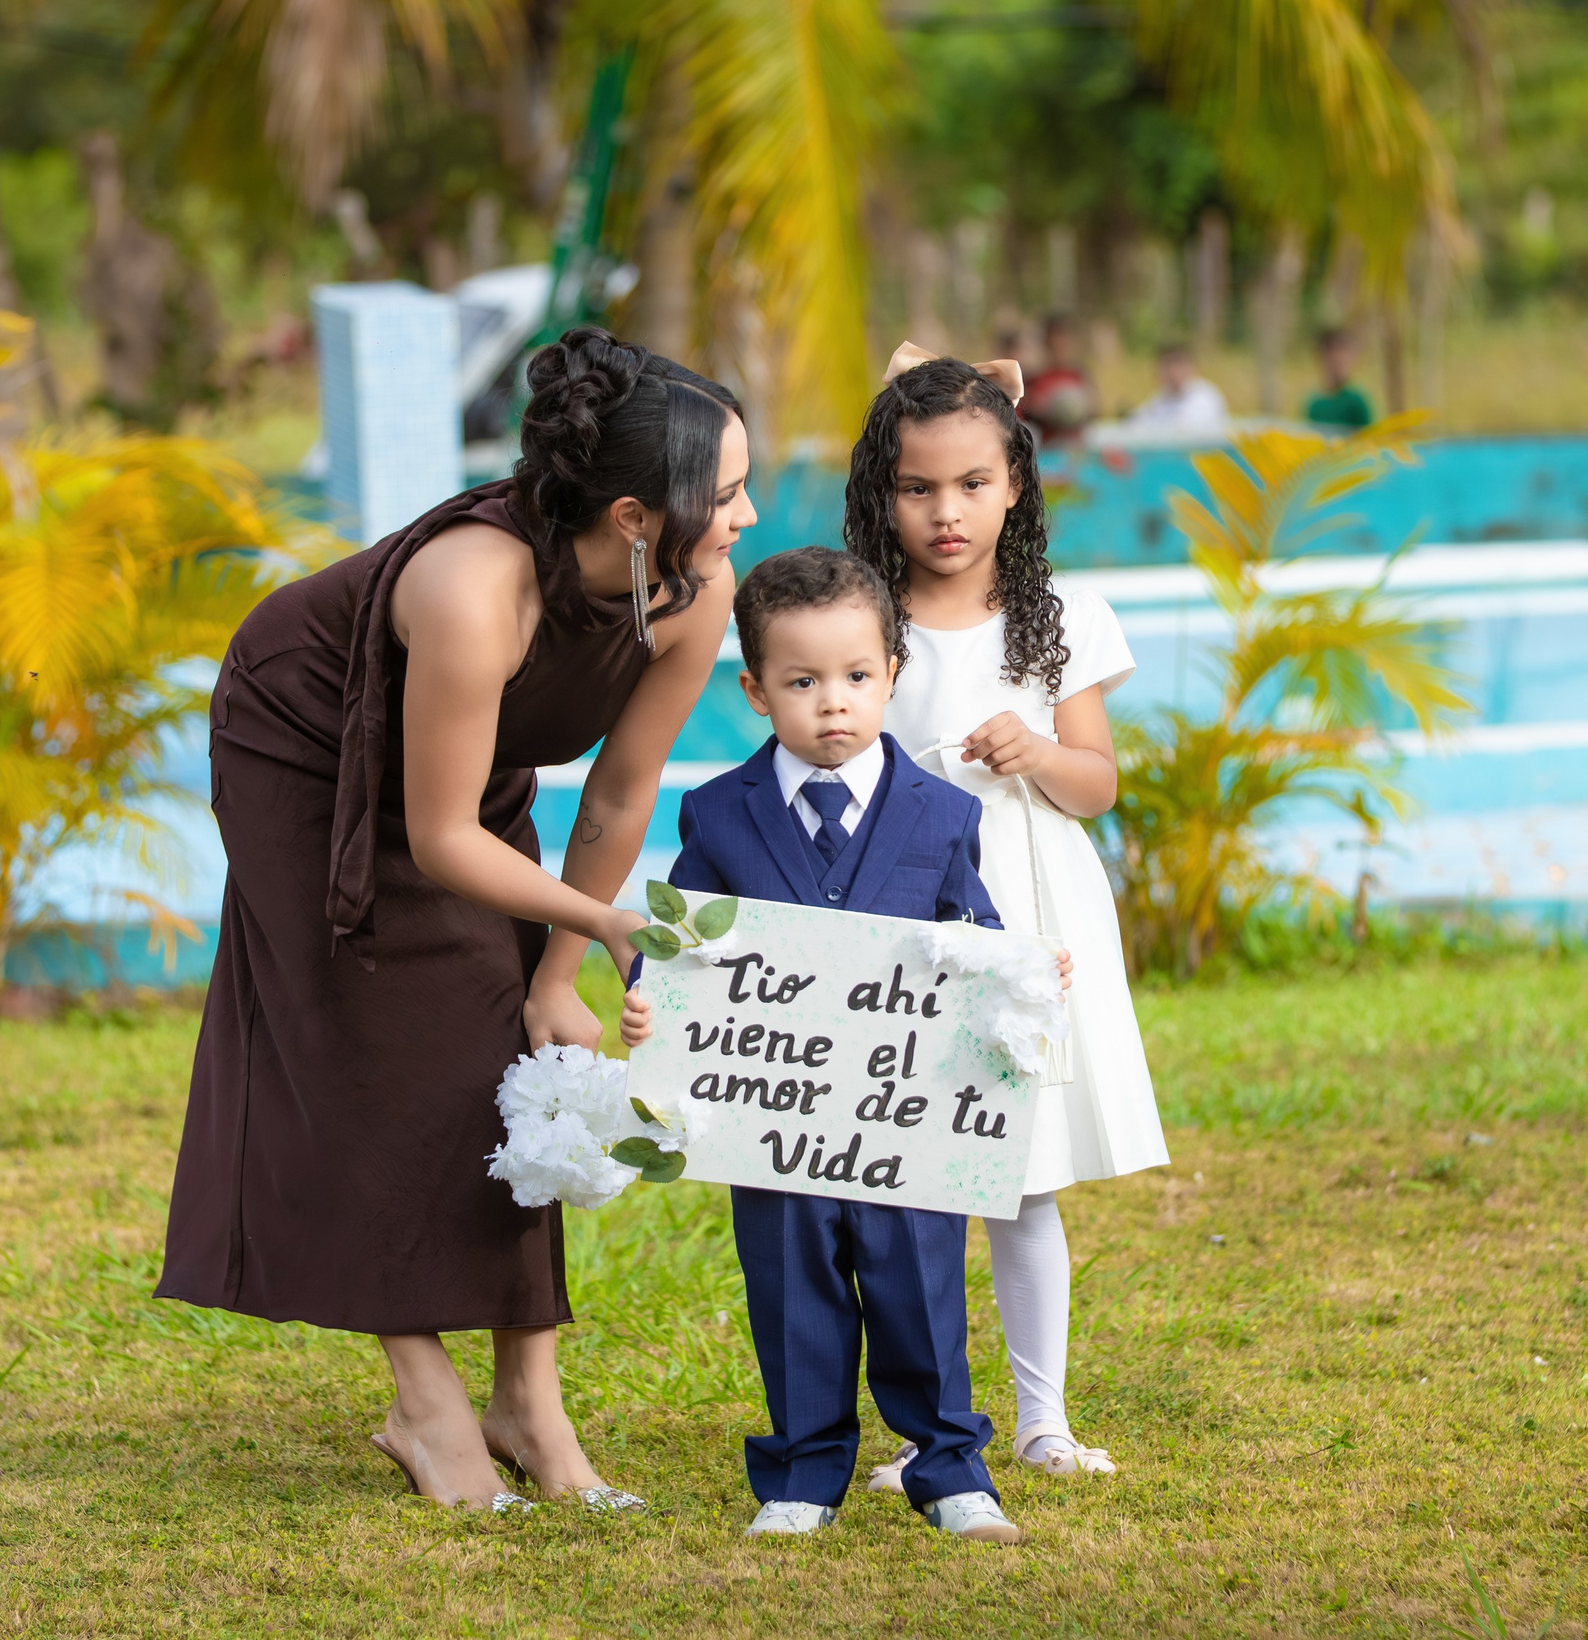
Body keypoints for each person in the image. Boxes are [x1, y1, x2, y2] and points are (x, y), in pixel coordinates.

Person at [156, 326, 756, 1513]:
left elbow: (621, 790)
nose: (744, 514)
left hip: (458, 769)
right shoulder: (475, 589)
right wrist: (605, 922)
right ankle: (423, 1403)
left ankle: (526, 1401)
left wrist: (558, 974)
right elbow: (437, 840)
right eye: (725, 493)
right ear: (633, 516)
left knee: (507, 1037)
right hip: (302, 745)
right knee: (374, 1039)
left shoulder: (695, 590)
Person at [618, 547, 1030, 1546]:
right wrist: (647, 997)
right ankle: (803, 1472)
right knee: (792, 1289)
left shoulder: (944, 814)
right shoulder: (719, 813)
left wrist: (1015, 978)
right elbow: (681, 943)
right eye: (801, 682)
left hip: (903, 1119)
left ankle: (949, 1466)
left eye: (855, 676)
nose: (832, 702)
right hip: (776, 1122)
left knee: (920, 1289)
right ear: (756, 690)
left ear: (893, 671)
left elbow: (970, 931)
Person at [842, 351, 1169, 1485]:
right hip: (905, 916)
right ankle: (928, 1429)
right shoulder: (866, 620)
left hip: (1032, 909)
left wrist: (1035, 752)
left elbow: (1098, 783)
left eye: (973, 484)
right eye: (918, 487)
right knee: (916, 1182)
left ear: (1015, 485)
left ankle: (1043, 1418)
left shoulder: (1059, 616)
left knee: (1023, 1178)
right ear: (882, 493)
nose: (947, 511)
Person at [1018, 312, 1096, 447]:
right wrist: (1039, 411)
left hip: (1076, 449)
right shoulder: (1035, 380)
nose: (1060, 349)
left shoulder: (1079, 376)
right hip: (1049, 450)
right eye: (1054, 344)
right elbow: (1021, 414)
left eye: (1064, 344)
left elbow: (1094, 408)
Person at [1129, 343, 1229, 433]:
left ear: (1190, 367)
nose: (1171, 372)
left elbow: (1185, 430)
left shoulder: (1204, 396)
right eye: (1166, 366)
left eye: (1177, 365)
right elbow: (1136, 422)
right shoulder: (1161, 397)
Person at [1303, 326, 1375, 430]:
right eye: (1333, 360)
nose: (1337, 365)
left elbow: (1368, 436)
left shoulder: (1356, 400)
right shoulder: (1314, 404)